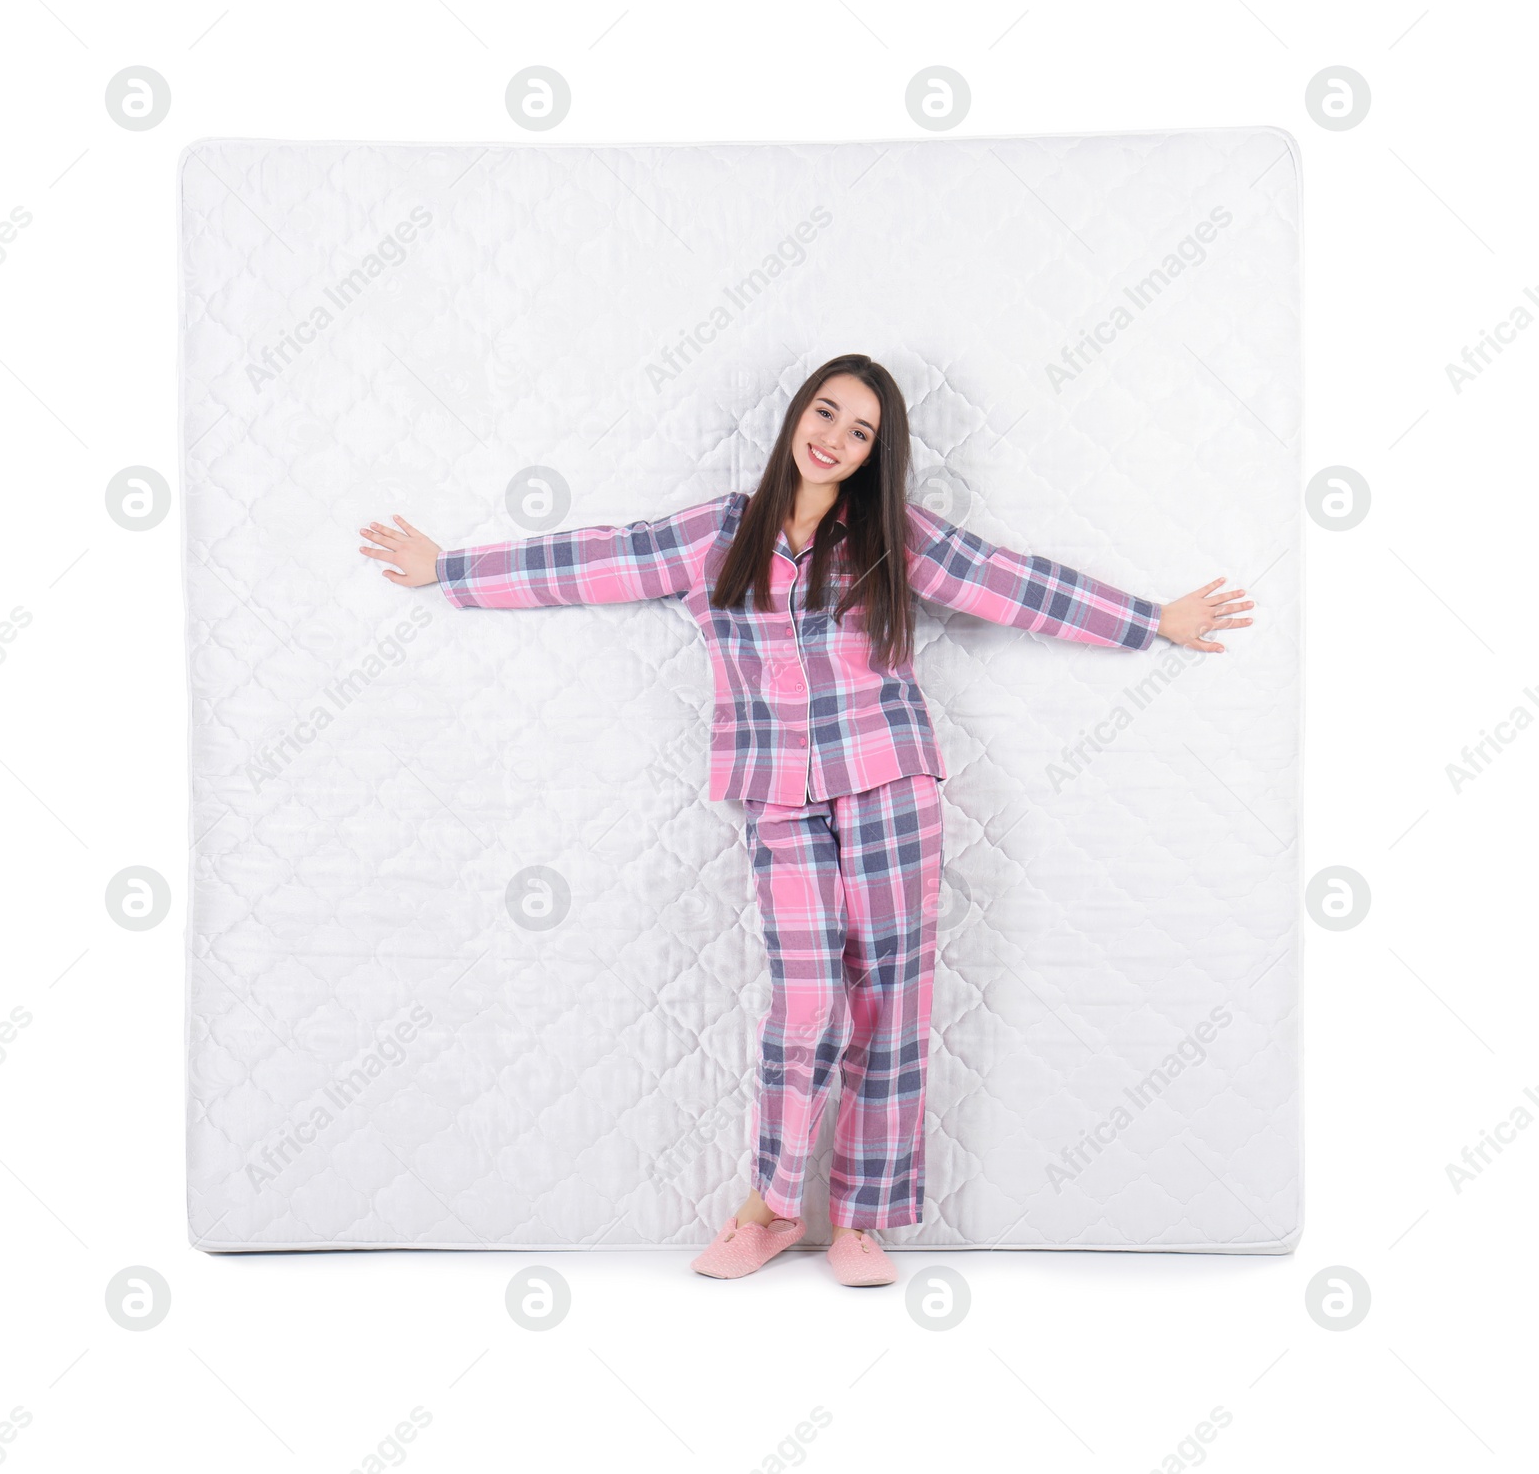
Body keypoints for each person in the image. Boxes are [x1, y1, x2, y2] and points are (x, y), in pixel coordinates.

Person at [358, 353, 1253, 1287]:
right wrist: (448, 568)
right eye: (826, 413)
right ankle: (775, 1206)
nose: (834, 437)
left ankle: (861, 1221)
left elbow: (1013, 582)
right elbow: (590, 558)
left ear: (875, 453)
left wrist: (1153, 619)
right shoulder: (718, 533)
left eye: (859, 431)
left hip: (890, 779)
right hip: (777, 790)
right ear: (797, 415)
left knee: (890, 999)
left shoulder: (891, 536)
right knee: (808, 998)